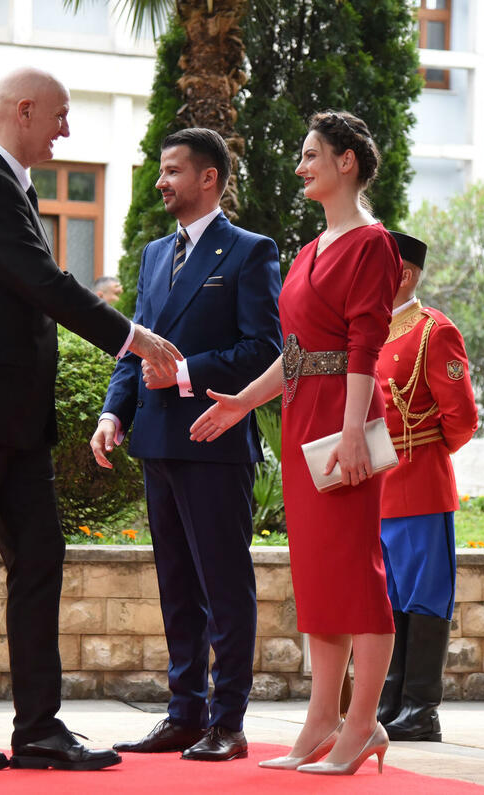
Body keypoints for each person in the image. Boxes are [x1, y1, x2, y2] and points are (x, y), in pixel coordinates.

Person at [0, 67, 182, 772]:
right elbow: (48, 289)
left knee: (41, 558)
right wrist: (136, 338)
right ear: (24, 111)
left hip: (11, 423)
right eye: (59, 115)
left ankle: (39, 729)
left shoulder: (6, 187)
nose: (66, 130)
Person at [190, 110, 402, 776]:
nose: (300, 164)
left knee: (356, 572)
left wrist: (352, 431)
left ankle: (363, 722)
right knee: (317, 575)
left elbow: (366, 342)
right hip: (307, 417)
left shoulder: (373, 243)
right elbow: (297, 353)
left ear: (347, 162)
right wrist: (242, 405)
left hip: (346, 419)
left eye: (312, 154)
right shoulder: (310, 250)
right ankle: (320, 720)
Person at [92, 128, 282, 762]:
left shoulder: (251, 253)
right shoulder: (152, 256)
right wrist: (112, 413)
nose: (161, 181)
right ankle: (183, 713)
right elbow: (135, 345)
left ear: (209, 179)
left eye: (173, 170)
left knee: (224, 585)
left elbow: (265, 350)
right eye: (160, 170)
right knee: (175, 584)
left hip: (214, 437)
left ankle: (228, 721)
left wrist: (182, 373)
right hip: (156, 441)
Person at [375, 231, 477, 742]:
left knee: (425, 597)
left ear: (406, 275)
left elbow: (461, 418)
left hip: (418, 481)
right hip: (377, 485)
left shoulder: (435, 332)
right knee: (389, 597)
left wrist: (424, 452)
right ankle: (391, 700)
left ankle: (420, 707)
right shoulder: (372, 331)